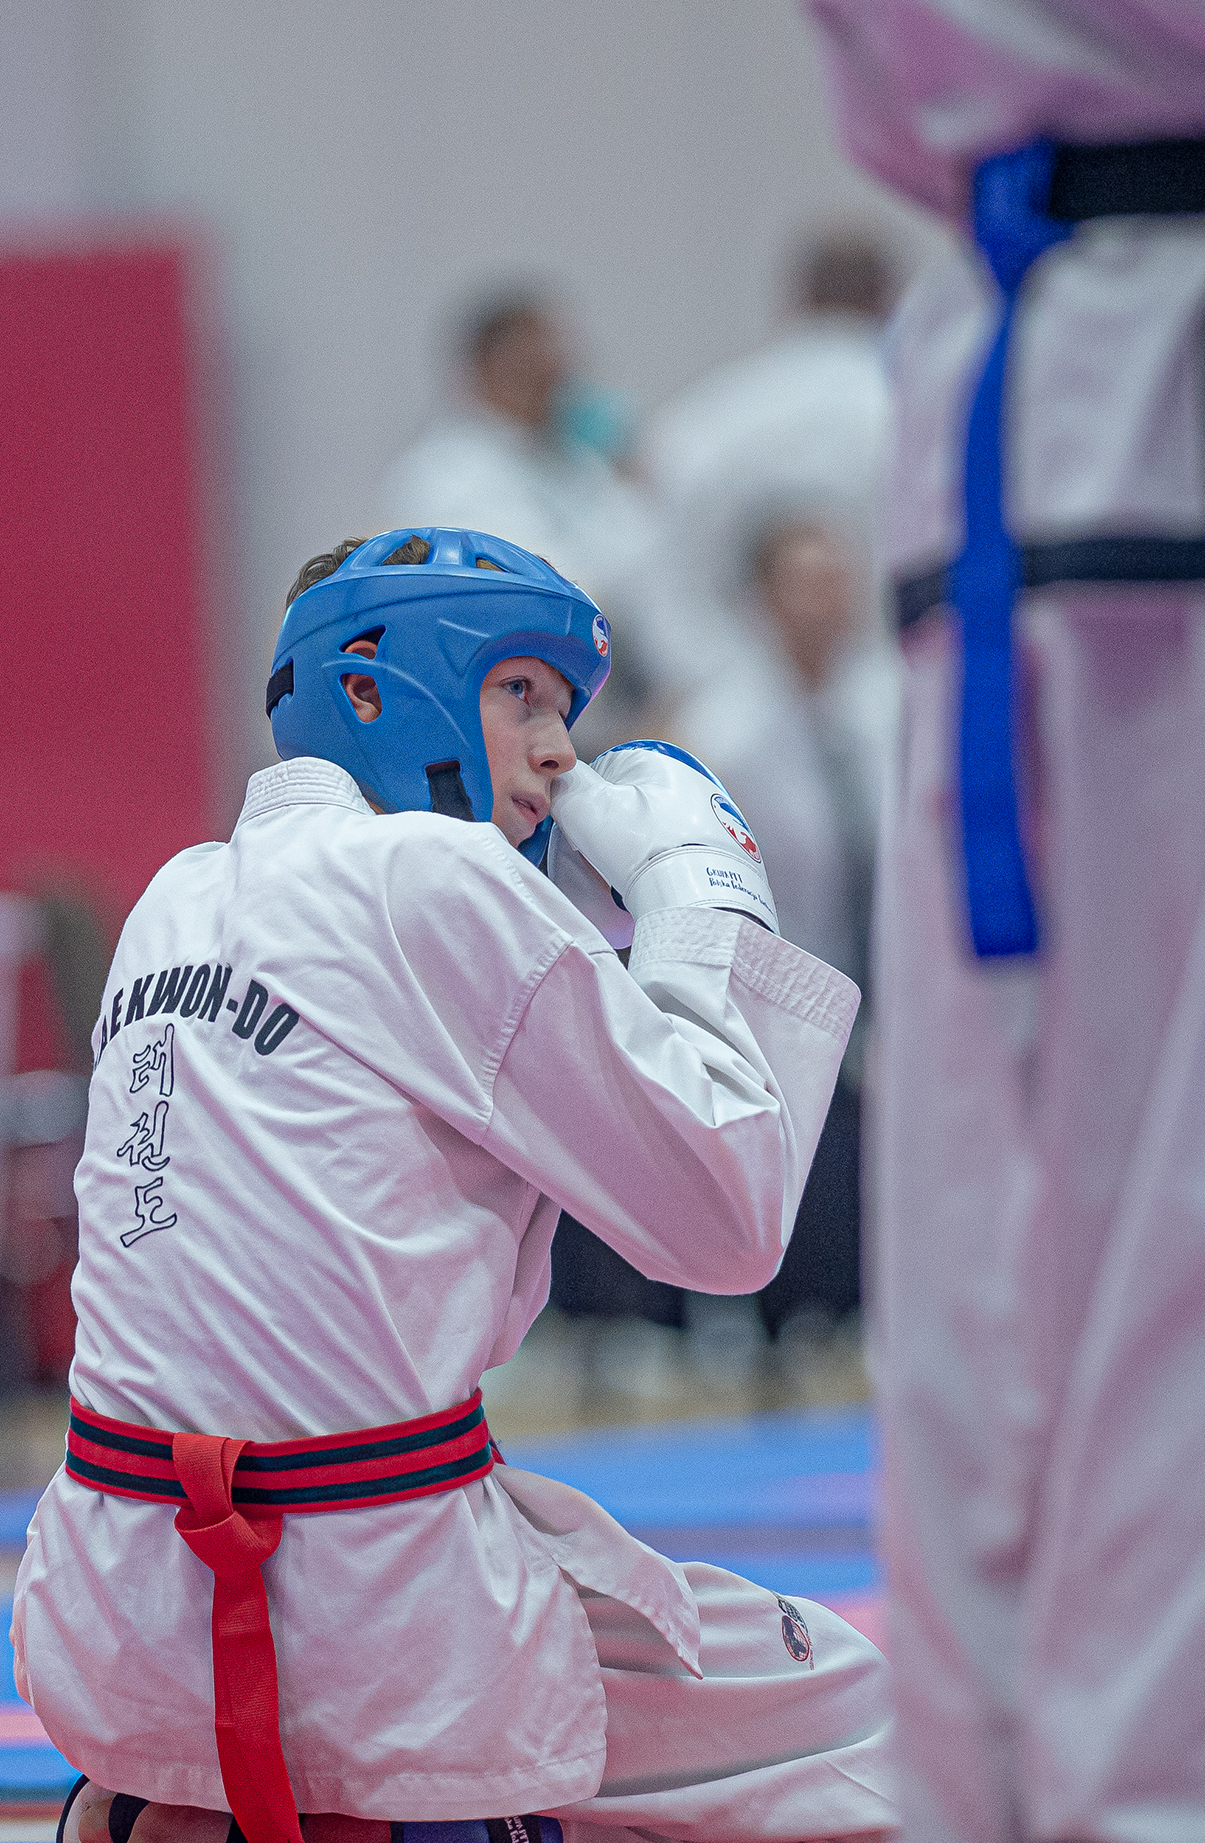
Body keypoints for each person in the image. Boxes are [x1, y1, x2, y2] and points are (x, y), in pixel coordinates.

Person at [13, 528, 894, 1843]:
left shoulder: (173, 899)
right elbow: (731, 1216)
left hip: (116, 1619)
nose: (559, 751)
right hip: (385, 1629)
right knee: (890, 1723)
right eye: (519, 692)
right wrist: (699, 889)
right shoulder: (436, 874)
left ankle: (163, 1802)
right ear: (374, 686)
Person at [806, 2, 1205, 1839]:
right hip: (1126, 388)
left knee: (992, 1246)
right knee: (1141, 1234)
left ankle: (993, 1789)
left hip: (1006, 391)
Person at [675, 512, 898, 1350]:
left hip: (886, 979)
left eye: (836, 581)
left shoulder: (889, 708)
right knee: (810, 1205)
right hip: (776, 997)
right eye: (806, 584)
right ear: (763, 601)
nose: (827, 602)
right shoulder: (722, 733)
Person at [382, 294, 659, 753]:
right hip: (506, 727)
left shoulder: (580, 467)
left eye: (557, 352)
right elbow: (539, 590)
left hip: (611, 711)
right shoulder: (444, 474)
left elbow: (650, 569)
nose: (554, 369)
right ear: (485, 367)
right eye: (532, 355)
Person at [635, 235, 895, 704]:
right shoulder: (913, 415)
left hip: (726, 689)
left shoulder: (703, 418)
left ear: (798, 298)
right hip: (891, 690)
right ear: (886, 299)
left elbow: (661, 582)